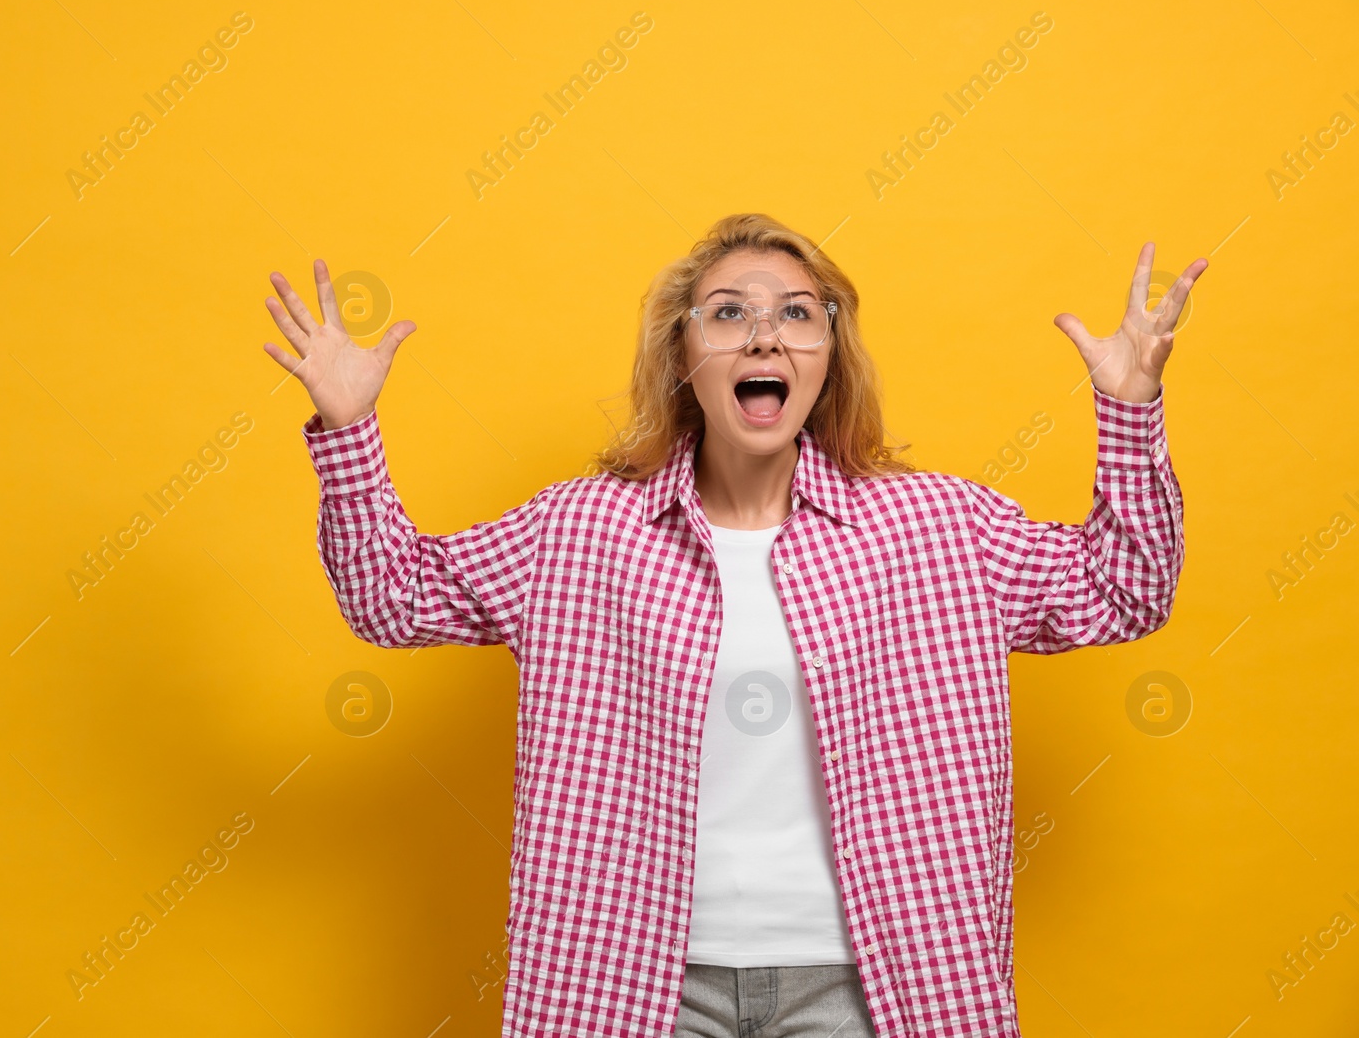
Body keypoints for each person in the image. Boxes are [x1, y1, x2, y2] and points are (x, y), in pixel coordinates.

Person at [261, 213, 1205, 1037]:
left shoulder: (936, 527)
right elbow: (391, 595)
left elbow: (1125, 588)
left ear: (829, 355)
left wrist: (1130, 409)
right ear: (684, 355)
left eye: (797, 312)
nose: (765, 334)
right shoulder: (583, 530)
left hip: (871, 991)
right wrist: (348, 429)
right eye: (729, 313)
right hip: (635, 989)